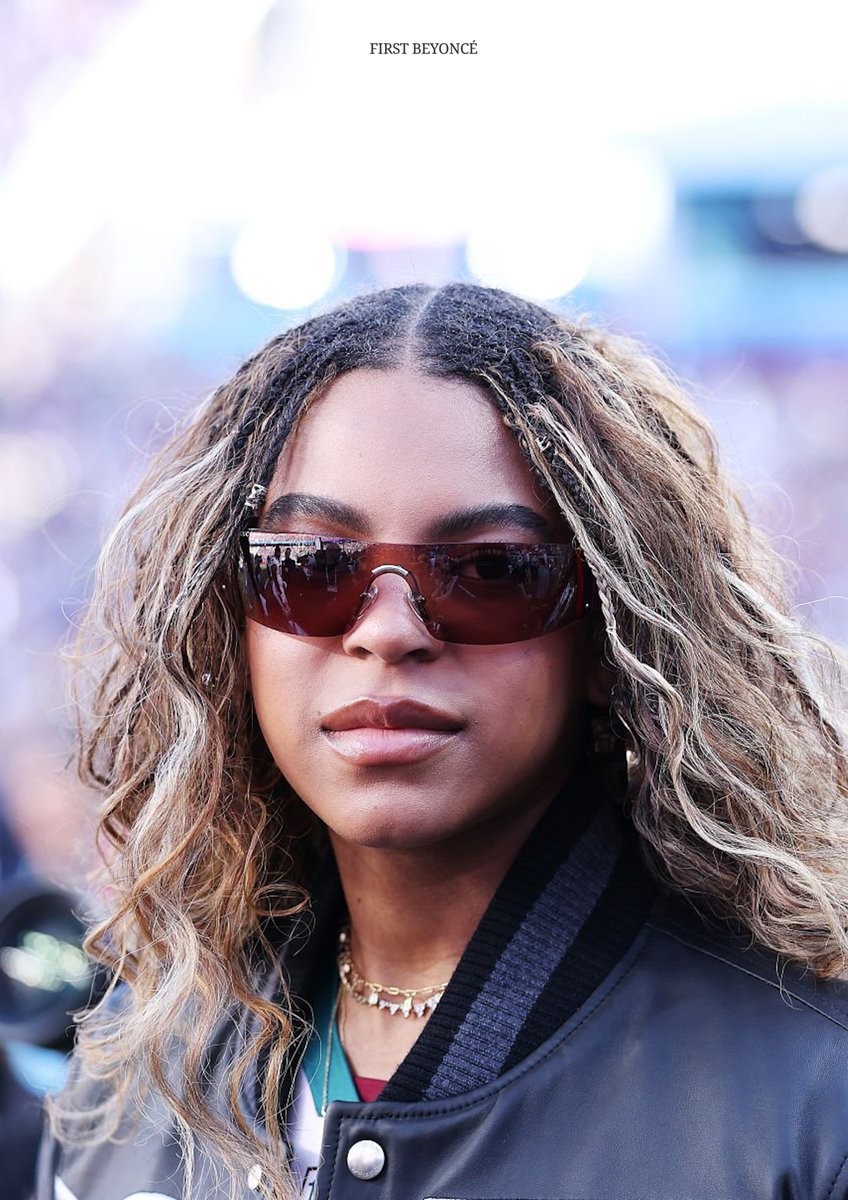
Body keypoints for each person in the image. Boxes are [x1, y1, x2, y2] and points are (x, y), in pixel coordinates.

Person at [39, 284, 848, 1200]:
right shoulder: (129, 1071)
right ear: (230, 623)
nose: (387, 632)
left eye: (489, 570)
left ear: (609, 631)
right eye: (311, 568)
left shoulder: (811, 1093)